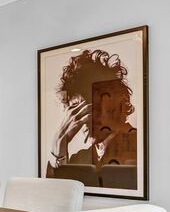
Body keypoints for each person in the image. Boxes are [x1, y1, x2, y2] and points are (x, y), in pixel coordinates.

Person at [45, 49, 137, 189]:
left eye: (93, 107)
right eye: (76, 111)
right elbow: (59, 195)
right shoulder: (79, 159)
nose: (83, 119)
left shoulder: (139, 148)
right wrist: (59, 150)